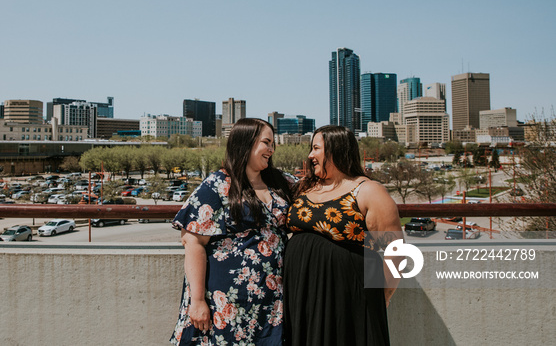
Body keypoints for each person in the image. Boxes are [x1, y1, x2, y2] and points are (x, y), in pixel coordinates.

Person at [171, 118, 292, 345]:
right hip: (226, 302)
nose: (271, 149)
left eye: (273, 143)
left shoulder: (280, 182)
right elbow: (192, 241)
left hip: (271, 301)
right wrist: (197, 301)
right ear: (246, 143)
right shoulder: (217, 184)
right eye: (266, 142)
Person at [283, 125, 402, 346]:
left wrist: (382, 296)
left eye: (316, 148)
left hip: (347, 297)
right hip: (302, 291)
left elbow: (396, 252)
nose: (310, 155)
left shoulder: (368, 190)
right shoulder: (304, 188)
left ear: (336, 149)